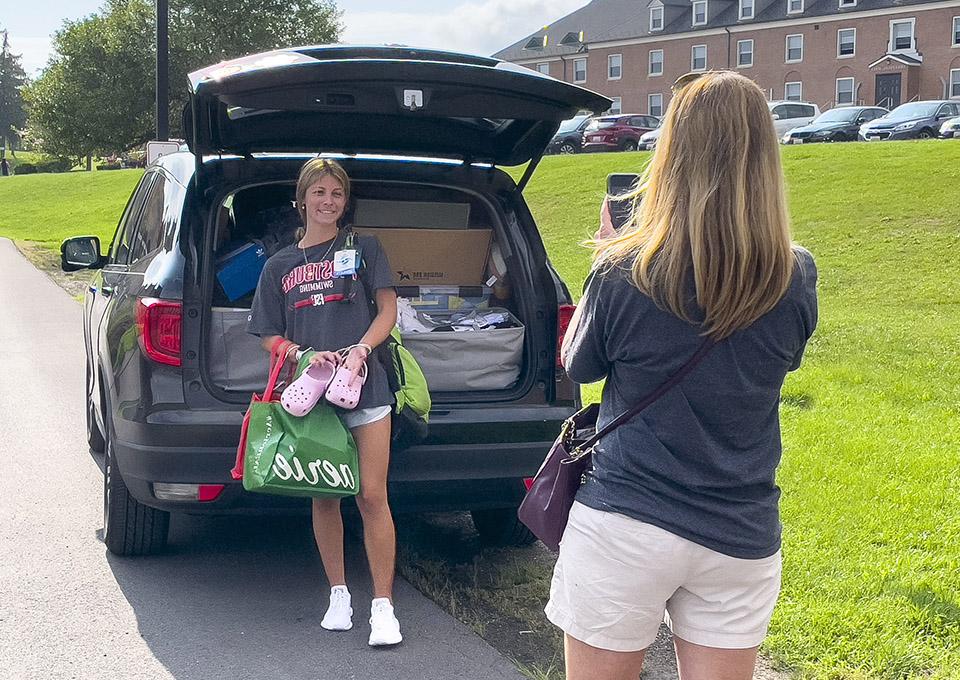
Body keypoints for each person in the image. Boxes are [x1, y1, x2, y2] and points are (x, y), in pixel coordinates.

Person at [548, 71, 818, 680]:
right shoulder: (794, 275)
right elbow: (782, 360)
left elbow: (579, 366)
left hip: (627, 517)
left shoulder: (624, 270)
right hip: (738, 528)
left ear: (672, 152)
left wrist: (605, 259)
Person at [247, 158, 403, 647]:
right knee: (325, 496)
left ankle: (383, 607)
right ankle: (339, 595)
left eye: (336, 193)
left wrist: (361, 349)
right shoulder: (278, 266)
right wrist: (299, 352)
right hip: (312, 394)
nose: (328, 201)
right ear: (303, 199)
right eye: (319, 192)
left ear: (344, 200)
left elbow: (389, 309)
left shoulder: (365, 248)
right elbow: (267, 335)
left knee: (372, 495)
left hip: (365, 387)